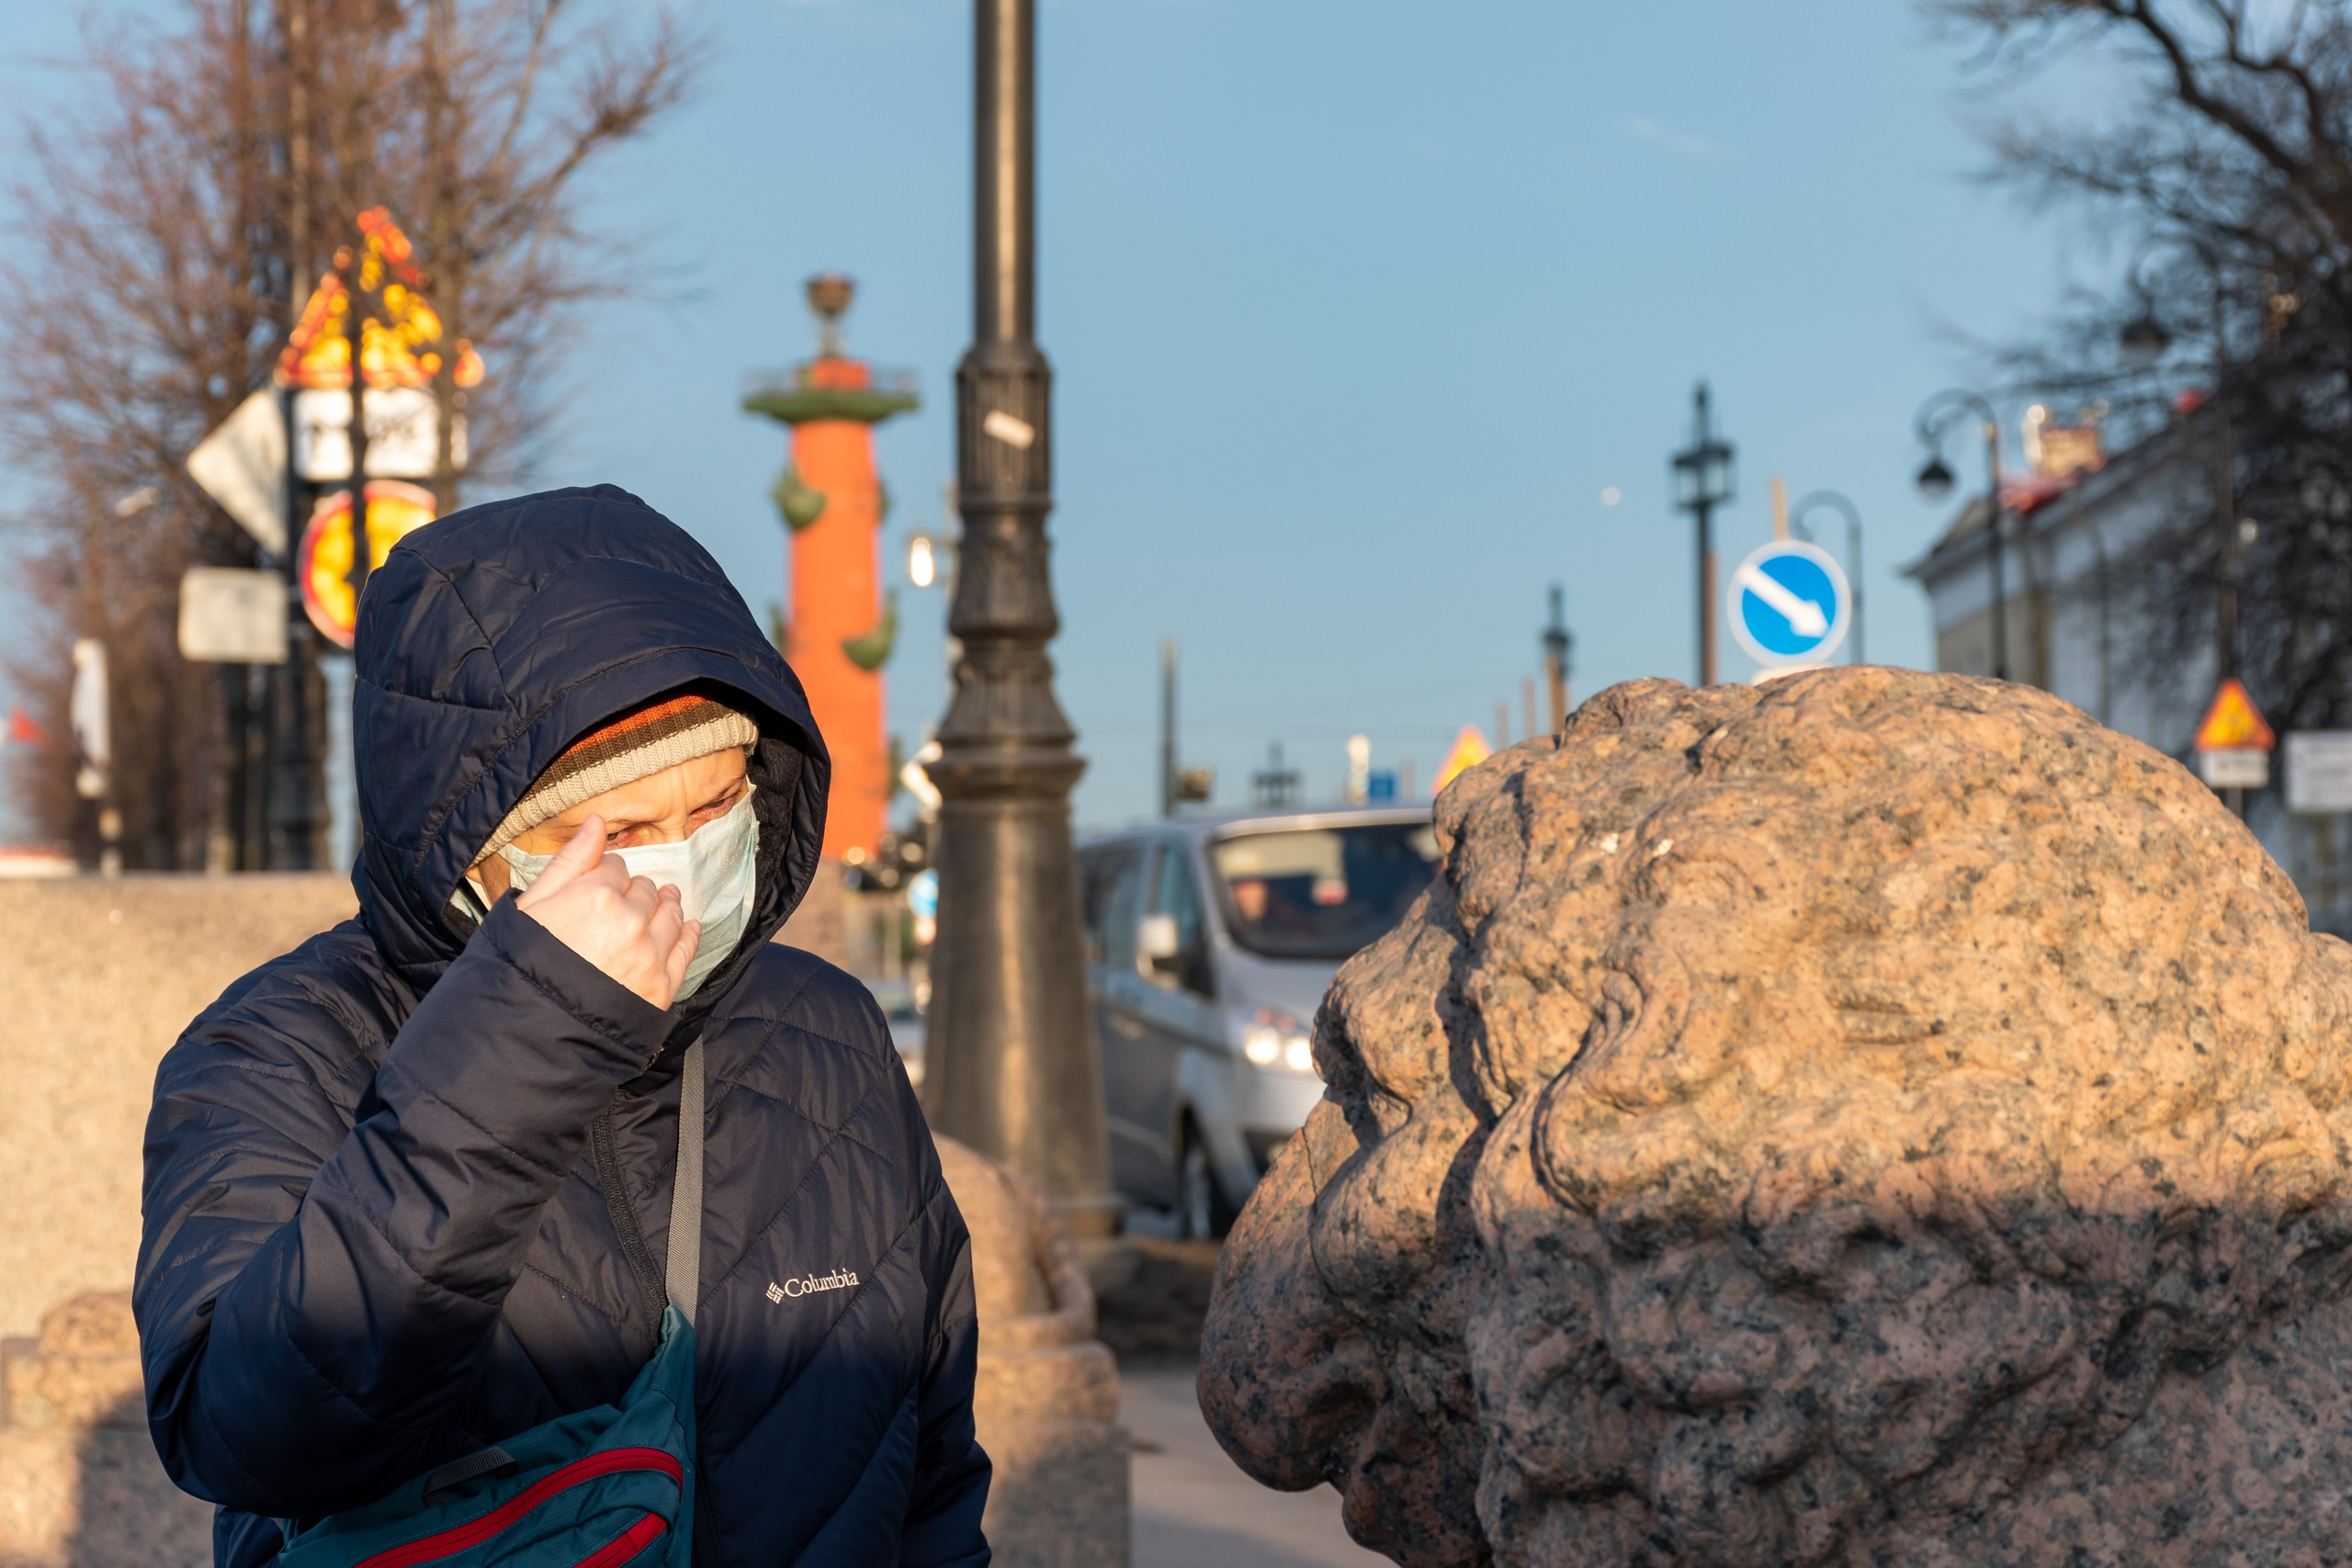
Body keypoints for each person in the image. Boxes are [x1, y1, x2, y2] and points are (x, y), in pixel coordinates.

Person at [134, 486, 989, 1568]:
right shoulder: (277, 1048)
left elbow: (931, 1470)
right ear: (471, 845)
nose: (680, 860)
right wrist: (528, 1033)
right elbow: (253, 1437)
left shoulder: (826, 1028)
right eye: (624, 828)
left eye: (717, 806)